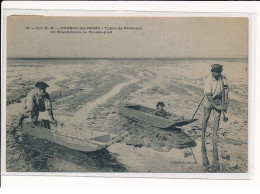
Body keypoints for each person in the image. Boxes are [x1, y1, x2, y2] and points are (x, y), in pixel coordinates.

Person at [201, 64, 228, 141]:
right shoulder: (208, 80)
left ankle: (214, 136)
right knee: (206, 117)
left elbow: (226, 91)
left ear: (221, 71)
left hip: (219, 100)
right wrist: (216, 106)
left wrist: (225, 104)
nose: (217, 74)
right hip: (208, 100)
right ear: (212, 71)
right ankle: (203, 135)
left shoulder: (224, 78)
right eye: (215, 72)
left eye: (219, 72)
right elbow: (209, 96)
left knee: (217, 118)